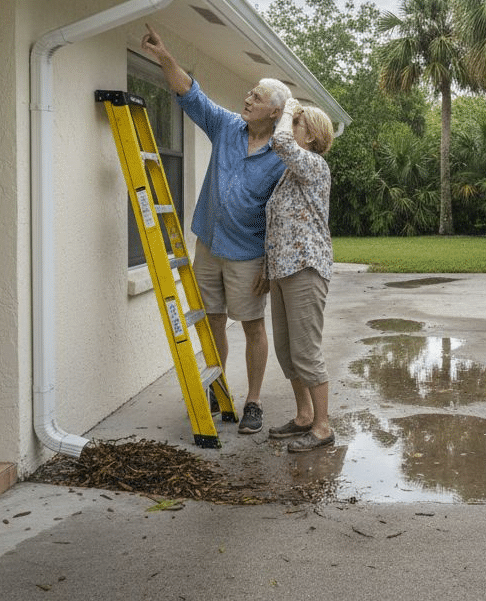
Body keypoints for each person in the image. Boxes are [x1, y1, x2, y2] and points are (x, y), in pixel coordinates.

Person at [139, 24, 290, 434]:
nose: (247, 99)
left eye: (256, 98)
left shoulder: (283, 155)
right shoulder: (225, 126)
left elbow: (283, 214)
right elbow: (191, 95)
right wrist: (165, 56)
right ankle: (217, 387)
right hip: (208, 244)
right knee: (213, 321)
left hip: (249, 254)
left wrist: (270, 265)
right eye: (249, 93)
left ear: (275, 111)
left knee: (253, 326)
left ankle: (254, 402)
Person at [262, 97, 337, 452]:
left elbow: (280, 142)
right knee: (287, 351)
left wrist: (290, 107)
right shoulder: (291, 173)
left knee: (306, 352)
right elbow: (278, 225)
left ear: (309, 138)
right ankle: (304, 416)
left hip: (306, 269)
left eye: (296, 125)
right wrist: (268, 269)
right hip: (282, 272)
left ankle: (323, 427)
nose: (289, 129)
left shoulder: (314, 165)